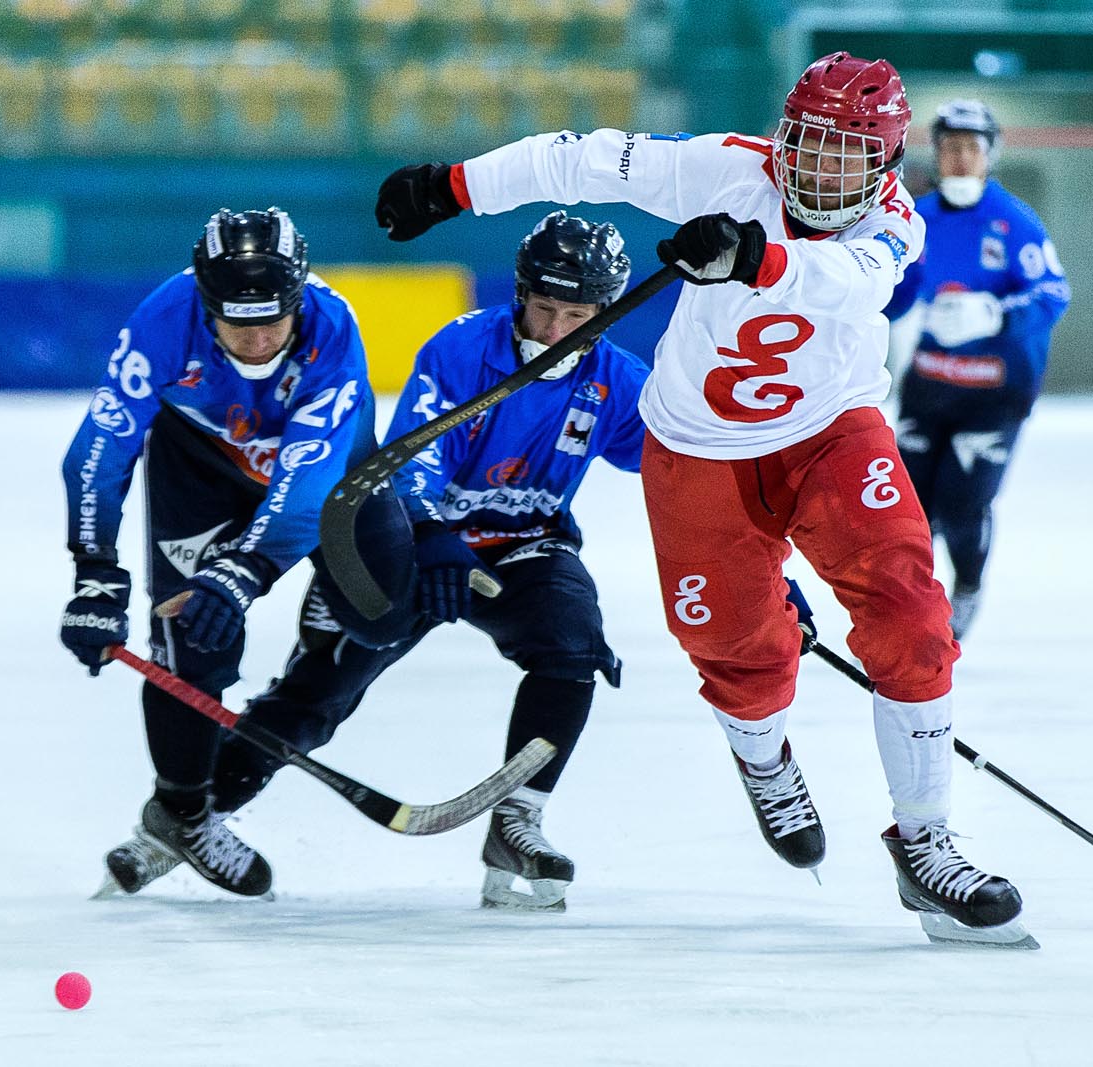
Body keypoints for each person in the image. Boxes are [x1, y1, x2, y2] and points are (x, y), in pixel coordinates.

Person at [373, 51, 1030, 945]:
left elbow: (846, 284)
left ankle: (927, 842)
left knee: (914, 618)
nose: (817, 170)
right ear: (784, 135)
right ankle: (766, 761)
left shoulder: (896, 225)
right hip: (695, 446)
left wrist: (751, 257)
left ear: (883, 165)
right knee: (733, 646)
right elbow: (587, 157)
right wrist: (456, 186)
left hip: (830, 432)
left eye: (846, 155)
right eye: (808, 145)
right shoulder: (730, 165)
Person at [194, 210, 650, 911]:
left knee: (573, 645)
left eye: (577, 314)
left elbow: (683, 470)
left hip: (525, 547)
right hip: (423, 546)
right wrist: (433, 528)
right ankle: (196, 813)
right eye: (544, 308)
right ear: (521, 293)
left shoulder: (617, 378)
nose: (557, 331)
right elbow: (414, 454)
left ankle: (515, 824)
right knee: (323, 690)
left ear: (605, 313)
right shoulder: (461, 348)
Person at [61, 207, 414, 898]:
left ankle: (322, 616)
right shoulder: (163, 320)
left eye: (271, 321)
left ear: (298, 297)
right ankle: (186, 811)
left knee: (381, 617)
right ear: (203, 301)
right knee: (189, 638)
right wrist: (95, 570)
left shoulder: (332, 328)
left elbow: (309, 477)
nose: (255, 340)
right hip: (202, 466)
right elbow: (99, 451)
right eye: (235, 322)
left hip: (335, 478)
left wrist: (246, 569)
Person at [884, 99, 1070, 639]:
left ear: (989, 155)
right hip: (928, 385)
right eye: (950, 148)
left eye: (971, 148)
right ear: (935, 153)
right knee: (907, 508)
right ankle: (908, 610)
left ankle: (966, 586)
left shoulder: (1014, 222)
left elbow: (1054, 294)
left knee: (964, 504)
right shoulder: (914, 218)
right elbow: (885, 288)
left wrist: (994, 313)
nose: (961, 159)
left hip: (995, 392)